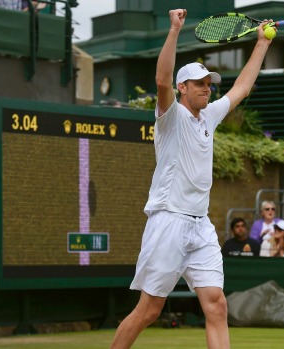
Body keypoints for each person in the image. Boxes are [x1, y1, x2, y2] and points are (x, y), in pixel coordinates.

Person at [109, 9, 274, 349]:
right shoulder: (170, 117)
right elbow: (160, 81)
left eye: (209, 84)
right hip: (168, 221)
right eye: (199, 84)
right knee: (149, 311)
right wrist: (173, 30)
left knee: (217, 304)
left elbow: (242, 87)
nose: (207, 89)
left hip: (200, 227)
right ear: (182, 88)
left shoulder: (208, 117)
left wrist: (261, 44)